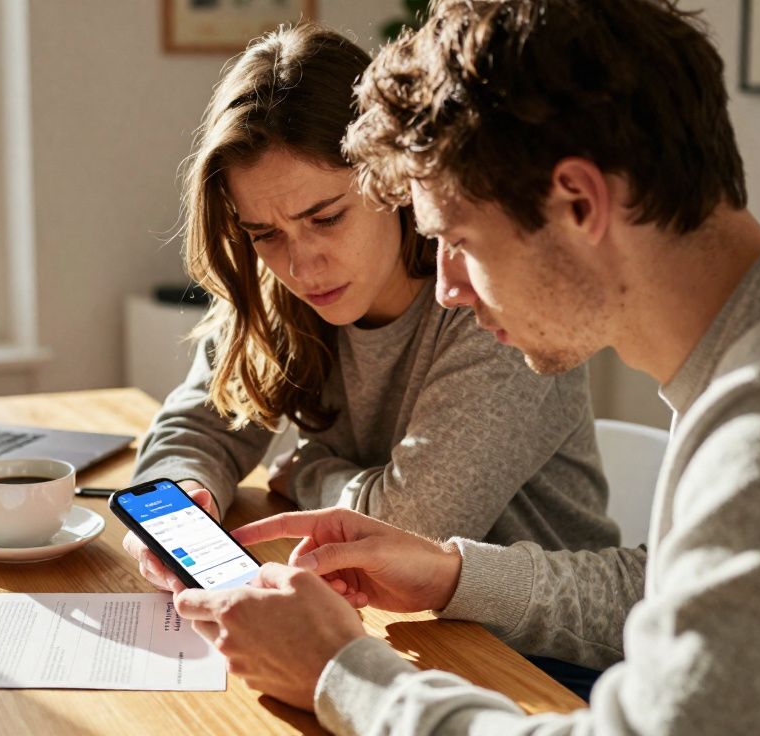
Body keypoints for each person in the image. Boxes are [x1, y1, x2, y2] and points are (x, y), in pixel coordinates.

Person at [168, 1, 760, 734]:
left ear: (578, 202)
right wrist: (453, 574)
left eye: (460, 241)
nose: (445, 285)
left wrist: (340, 675)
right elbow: (666, 599)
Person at [124, 24, 618, 597]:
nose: (301, 266)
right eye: (264, 233)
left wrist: (309, 469)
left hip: (532, 658)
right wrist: (183, 496)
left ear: (392, 180)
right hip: (402, 625)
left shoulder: (487, 302)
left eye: (326, 218)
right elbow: (196, 425)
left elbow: (408, 529)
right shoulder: (281, 287)